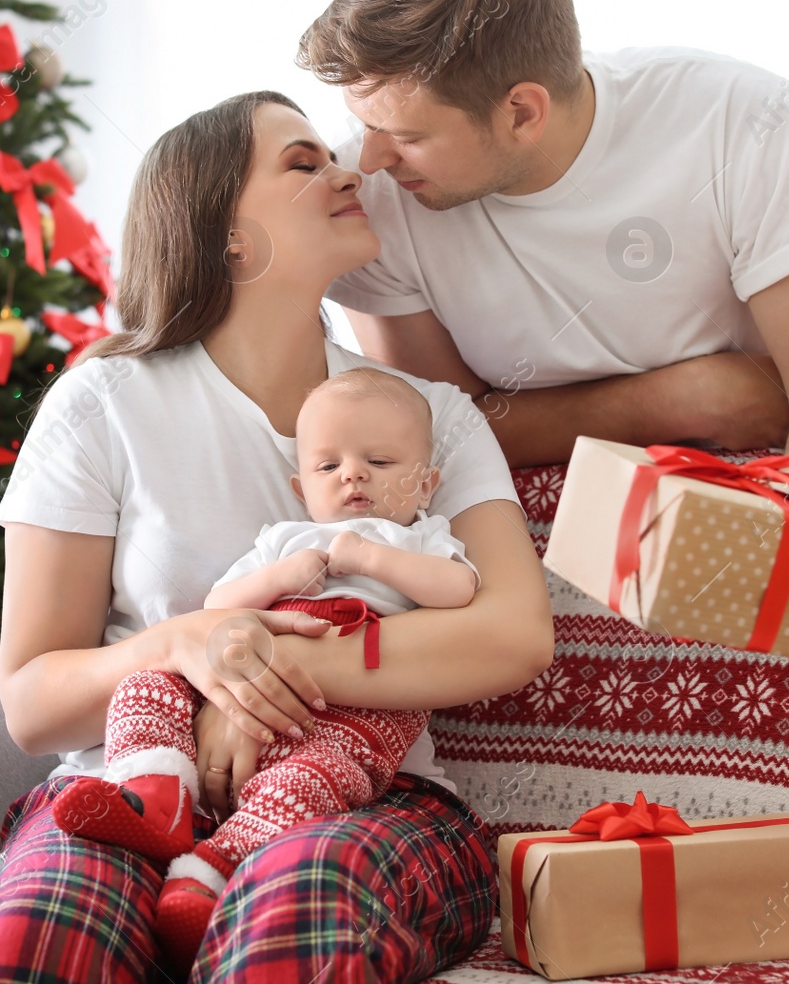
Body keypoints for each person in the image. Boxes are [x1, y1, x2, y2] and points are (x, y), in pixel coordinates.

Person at [0, 90, 553, 983]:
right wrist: (190, 646)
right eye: (303, 163)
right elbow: (34, 703)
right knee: (42, 934)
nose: (348, 170)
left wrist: (259, 672)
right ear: (224, 233)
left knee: (292, 919)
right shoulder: (102, 403)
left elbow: (511, 634)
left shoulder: (435, 419)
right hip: (133, 789)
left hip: (369, 799)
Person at [299, 0, 789, 500]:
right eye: (362, 124)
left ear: (522, 114)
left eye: (404, 135)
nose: (369, 160)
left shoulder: (737, 120)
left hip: (752, 482)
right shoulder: (369, 200)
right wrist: (671, 402)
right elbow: (435, 437)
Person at [48, 366, 481, 975]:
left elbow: (459, 590)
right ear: (301, 487)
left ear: (427, 483)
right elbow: (220, 606)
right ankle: (154, 791)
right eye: (329, 467)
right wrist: (281, 576)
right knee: (145, 686)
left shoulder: (420, 538)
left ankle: (210, 873)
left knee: (308, 782)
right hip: (238, 691)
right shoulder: (284, 539)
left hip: (355, 715)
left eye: (380, 462)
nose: (353, 475)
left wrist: (371, 557)